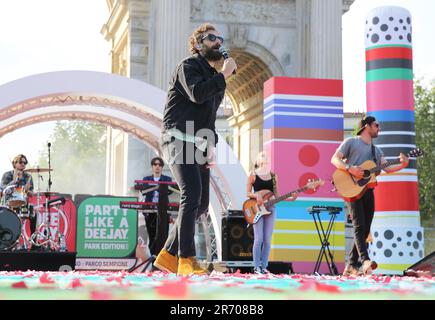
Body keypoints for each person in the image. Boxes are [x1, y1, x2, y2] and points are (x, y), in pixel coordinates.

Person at [154, 23, 237, 276]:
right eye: (212, 38)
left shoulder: (215, 78)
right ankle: (186, 259)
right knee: (191, 193)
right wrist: (223, 76)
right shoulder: (188, 66)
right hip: (177, 137)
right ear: (199, 43)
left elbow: (209, 115)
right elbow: (197, 95)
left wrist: (211, 146)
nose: (218, 43)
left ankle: (168, 255)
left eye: (220, 39)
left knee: (201, 203)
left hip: (198, 142)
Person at [331, 116, 409, 276]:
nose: (379, 128)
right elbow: (334, 159)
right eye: (377, 125)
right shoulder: (351, 142)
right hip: (352, 190)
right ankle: (365, 260)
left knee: (365, 228)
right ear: (367, 126)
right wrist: (349, 168)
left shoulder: (376, 150)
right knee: (359, 226)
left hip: (368, 190)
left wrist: (402, 164)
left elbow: (387, 167)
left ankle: (351, 266)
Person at [246, 151, 297, 274]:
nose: (265, 157)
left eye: (267, 156)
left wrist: (291, 199)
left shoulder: (274, 176)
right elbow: (247, 193)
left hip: (271, 208)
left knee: (267, 239)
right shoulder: (253, 175)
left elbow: (277, 195)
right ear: (258, 161)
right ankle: (256, 266)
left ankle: (264, 266)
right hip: (257, 209)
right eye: (262, 156)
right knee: (258, 239)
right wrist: (256, 195)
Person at [139, 156, 172, 255]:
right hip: (150, 211)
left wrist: (156, 187)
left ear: (162, 167)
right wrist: (158, 188)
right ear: (152, 167)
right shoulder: (146, 179)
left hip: (163, 210)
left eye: (159, 165)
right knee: (152, 235)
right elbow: (144, 191)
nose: (157, 166)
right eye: (155, 164)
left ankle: (160, 257)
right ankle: (153, 257)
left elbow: (170, 191)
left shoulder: (167, 178)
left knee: (163, 235)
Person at [0, 154, 36, 236]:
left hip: (23, 204)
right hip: (8, 203)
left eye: (25, 162)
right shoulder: (7, 174)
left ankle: (34, 243)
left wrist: (27, 191)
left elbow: (31, 193)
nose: (23, 164)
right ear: (15, 163)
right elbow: (3, 188)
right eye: (20, 162)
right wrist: (15, 180)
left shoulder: (28, 176)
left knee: (34, 214)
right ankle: (7, 241)